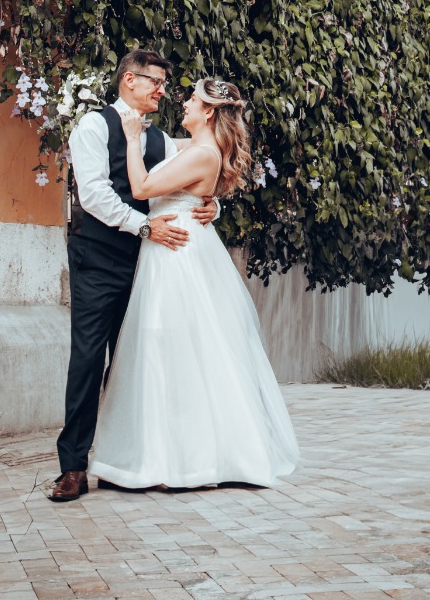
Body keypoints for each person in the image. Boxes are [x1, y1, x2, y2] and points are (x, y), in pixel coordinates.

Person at [89, 76, 299, 490]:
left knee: (177, 346)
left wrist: (132, 139)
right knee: (174, 348)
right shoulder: (194, 148)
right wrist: (213, 204)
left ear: (208, 112)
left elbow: (143, 187)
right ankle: (165, 454)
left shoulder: (204, 152)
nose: (183, 102)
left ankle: (190, 460)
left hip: (177, 252)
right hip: (174, 246)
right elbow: (183, 177)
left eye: (192, 99)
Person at [48, 48, 219, 502]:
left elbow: (189, 181)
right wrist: (143, 226)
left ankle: (123, 462)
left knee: (136, 364)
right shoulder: (92, 126)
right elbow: (96, 195)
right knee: (87, 360)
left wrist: (210, 205)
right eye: (155, 83)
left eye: (164, 85)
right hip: (99, 260)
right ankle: (73, 468)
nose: (162, 92)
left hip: (147, 266)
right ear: (129, 80)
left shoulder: (162, 139)